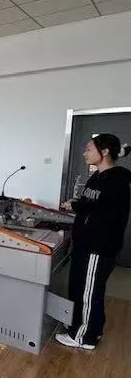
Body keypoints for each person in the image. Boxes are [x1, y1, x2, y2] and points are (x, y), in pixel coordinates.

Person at [56, 134, 131, 350]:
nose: (85, 153)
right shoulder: (98, 176)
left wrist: (76, 206)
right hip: (85, 243)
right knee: (80, 288)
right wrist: (76, 204)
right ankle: (85, 326)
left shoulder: (116, 180)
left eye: (89, 149)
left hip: (98, 246)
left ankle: (84, 337)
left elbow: (103, 210)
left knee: (88, 292)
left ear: (104, 151)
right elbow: (90, 202)